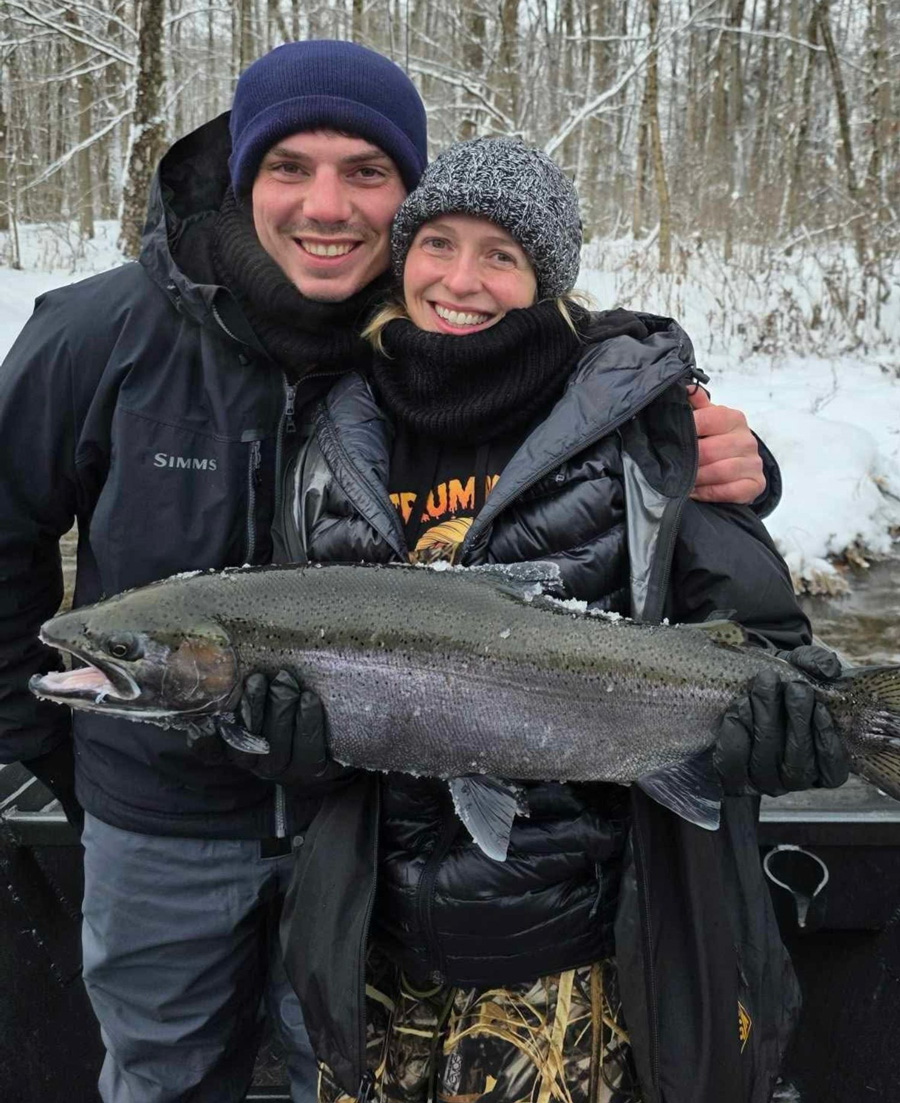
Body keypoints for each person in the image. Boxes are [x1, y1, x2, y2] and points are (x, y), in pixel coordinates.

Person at [0, 39, 774, 1103]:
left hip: (360, 841)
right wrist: (57, 752)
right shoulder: (93, 335)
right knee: (163, 1073)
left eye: (366, 173)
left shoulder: (408, 347)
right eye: (291, 167)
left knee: (332, 1071)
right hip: (164, 822)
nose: (328, 205)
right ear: (244, 178)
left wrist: (727, 463)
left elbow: (580, 385)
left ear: (402, 201)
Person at [267, 138, 850, 1103]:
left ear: (548, 282)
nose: (461, 279)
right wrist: (282, 738)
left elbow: (770, 641)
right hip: (371, 946)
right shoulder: (331, 431)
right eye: (438, 243)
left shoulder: (640, 424)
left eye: (502, 255)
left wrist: (788, 734)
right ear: (401, 254)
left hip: (579, 954)